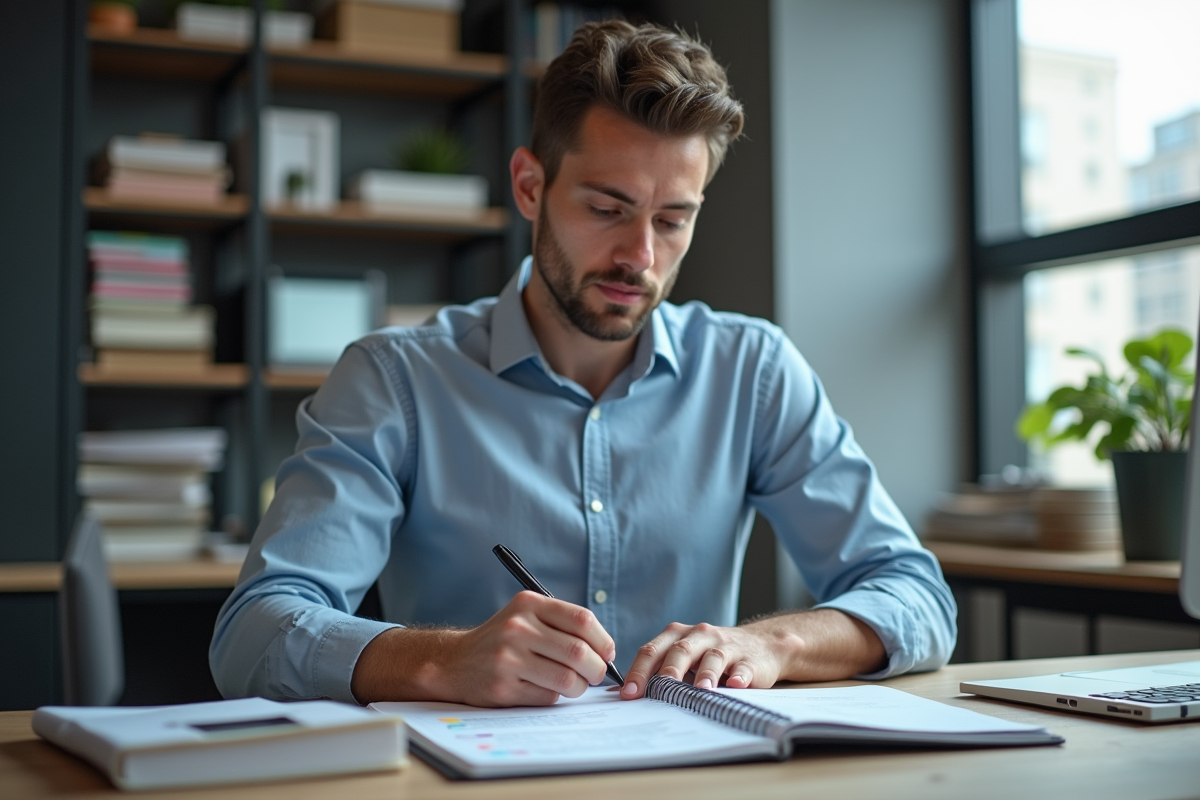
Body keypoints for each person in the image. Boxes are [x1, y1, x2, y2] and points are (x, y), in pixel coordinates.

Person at [210, 20, 956, 708]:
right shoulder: (393, 380)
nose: (641, 256)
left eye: (673, 219)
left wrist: (769, 644)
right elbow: (252, 634)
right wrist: (442, 660)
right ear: (530, 187)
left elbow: (916, 597)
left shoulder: (752, 371)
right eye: (607, 209)